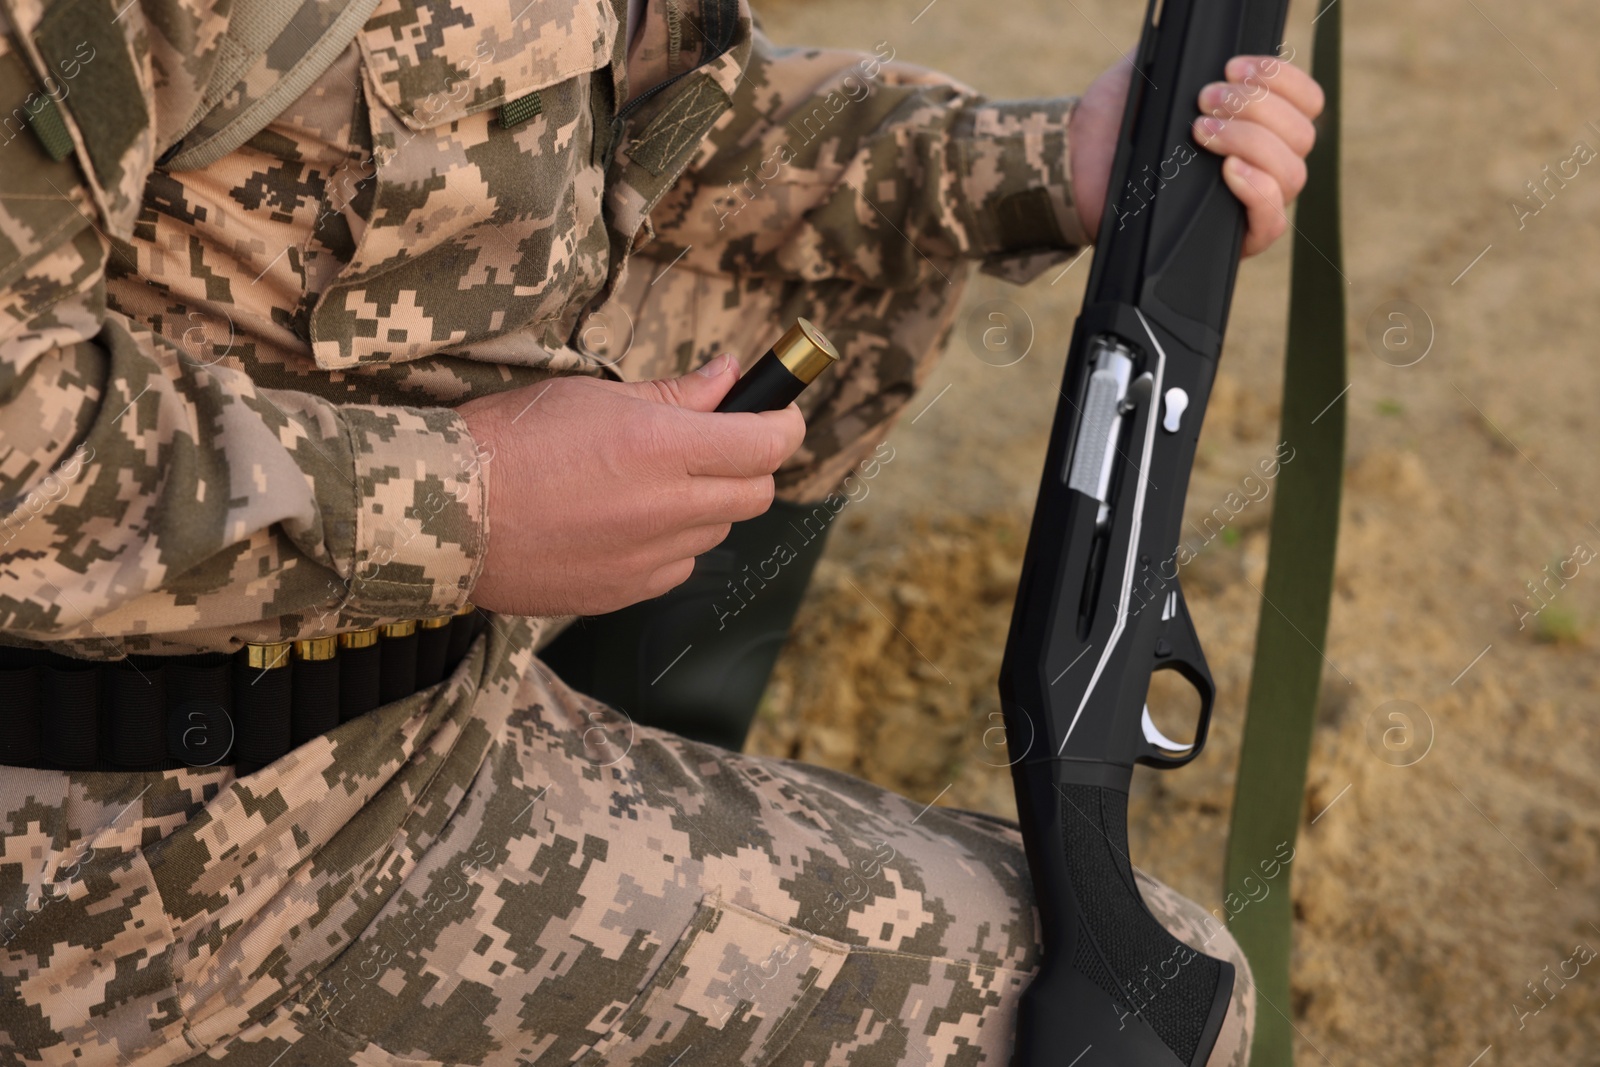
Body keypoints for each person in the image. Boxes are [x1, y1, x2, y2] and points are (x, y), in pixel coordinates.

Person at [0, 0, 1321, 1062]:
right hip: (140, 865)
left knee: (827, 276)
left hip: (388, 695)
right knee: (1163, 1014)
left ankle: (631, 780)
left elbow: (669, 110)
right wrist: (469, 504)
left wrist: (1041, 164)